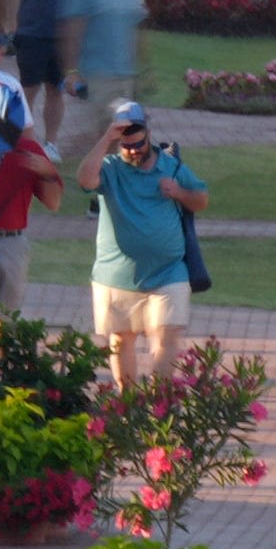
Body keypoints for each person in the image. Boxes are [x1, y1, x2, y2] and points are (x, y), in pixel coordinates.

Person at [89, 100, 211, 387]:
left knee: (167, 334)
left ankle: (158, 402)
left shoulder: (172, 165)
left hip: (169, 270)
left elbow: (201, 199)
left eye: (139, 143)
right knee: (121, 339)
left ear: (148, 132)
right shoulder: (109, 167)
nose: (133, 150)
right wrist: (106, 139)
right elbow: (84, 178)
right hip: (116, 276)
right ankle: (128, 403)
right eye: (126, 145)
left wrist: (179, 192)